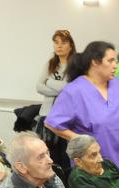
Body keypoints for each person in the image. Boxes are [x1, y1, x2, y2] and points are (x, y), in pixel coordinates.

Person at [45, 41, 119, 179]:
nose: (115, 65)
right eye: (111, 60)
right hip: (92, 165)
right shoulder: (74, 91)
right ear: (95, 62)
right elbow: (51, 123)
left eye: (115, 61)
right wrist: (80, 139)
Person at [36, 29, 76, 168]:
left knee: (66, 159)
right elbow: (38, 87)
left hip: (67, 118)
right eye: (56, 42)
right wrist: (60, 90)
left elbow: (70, 89)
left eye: (63, 42)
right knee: (49, 158)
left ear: (70, 45)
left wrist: (49, 82)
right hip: (46, 116)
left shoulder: (75, 65)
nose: (59, 46)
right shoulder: (50, 64)